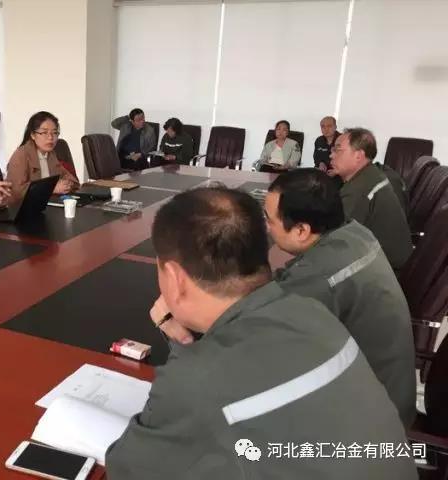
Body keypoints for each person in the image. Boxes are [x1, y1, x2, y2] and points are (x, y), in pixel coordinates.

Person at [105, 187, 416, 479]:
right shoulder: (312, 311)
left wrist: (183, 346)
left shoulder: (197, 380)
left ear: (174, 278)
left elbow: (127, 468)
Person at [265, 168, 416, 426]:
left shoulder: (322, 278)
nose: (267, 227)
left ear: (301, 230)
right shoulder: (355, 232)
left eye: (269, 220)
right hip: (387, 390)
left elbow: (259, 328)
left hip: (371, 420)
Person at [329, 128, 413, 270]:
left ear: (358, 155)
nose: (331, 155)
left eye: (338, 150)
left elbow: (334, 238)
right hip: (388, 261)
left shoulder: (360, 189)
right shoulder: (372, 174)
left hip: (385, 269)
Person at [6, 111, 79, 203]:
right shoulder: (21, 155)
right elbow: (16, 191)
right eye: (44, 132)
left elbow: (70, 178)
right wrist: (51, 188)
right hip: (24, 208)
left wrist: (67, 184)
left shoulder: (51, 154)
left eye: (54, 133)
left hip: (48, 204)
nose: (50, 137)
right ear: (33, 135)